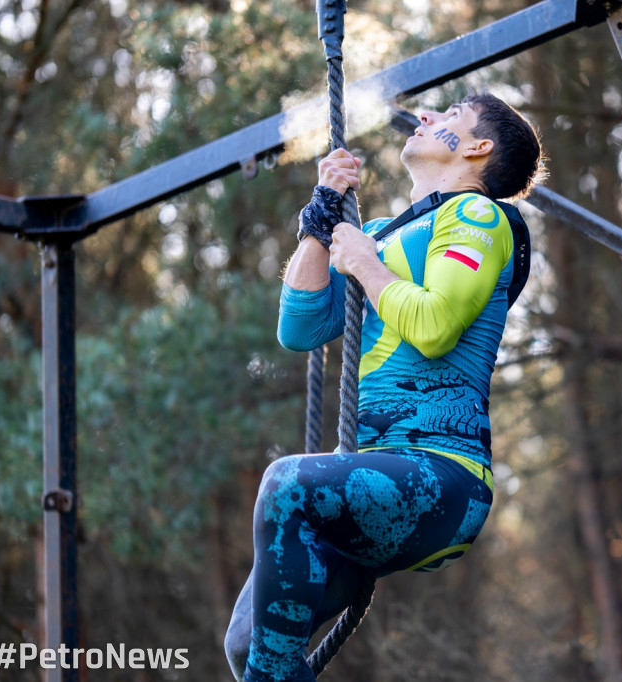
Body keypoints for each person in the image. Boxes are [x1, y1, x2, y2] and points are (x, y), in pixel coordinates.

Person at [225, 92, 543, 682]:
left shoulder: (476, 217)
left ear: (479, 147)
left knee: (286, 483)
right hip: (378, 480)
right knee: (248, 645)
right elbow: (300, 328)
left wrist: (366, 262)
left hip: (443, 476)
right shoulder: (378, 233)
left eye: (449, 116)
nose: (426, 116)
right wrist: (322, 220)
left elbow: (434, 325)